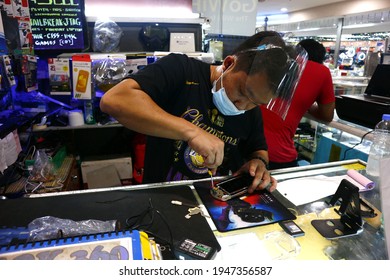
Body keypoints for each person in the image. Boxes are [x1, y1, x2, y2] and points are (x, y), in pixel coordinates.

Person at [100, 31, 304, 193]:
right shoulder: (181, 69)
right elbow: (114, 100)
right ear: (229, 64)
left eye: (255, 102)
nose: (242, 106)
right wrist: (192, 132)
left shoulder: (250, 110)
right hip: (161, 196)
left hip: (214, 203)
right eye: (242, 92)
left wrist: (258, 164)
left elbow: (257, 148)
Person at [260, 38, 335, 169]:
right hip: (278, 154)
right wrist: (309, 107)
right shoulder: (322, 72)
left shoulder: (278, 63)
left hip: (246, 145)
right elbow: (327, 115)